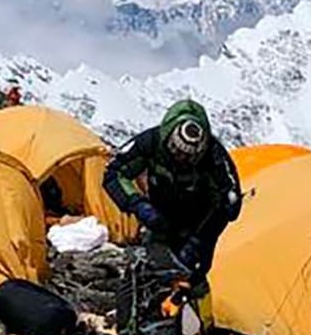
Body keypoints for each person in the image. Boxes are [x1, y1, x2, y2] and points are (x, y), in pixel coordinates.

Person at [103, 99, 241, 302]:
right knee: (143, 275)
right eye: (176, 152)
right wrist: (139, 206)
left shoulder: (215, 155)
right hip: (159, 218)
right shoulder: (150, 142)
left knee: (192, 282)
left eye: (188, 157)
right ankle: (130, 330)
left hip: (199, 223)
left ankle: (193, 328)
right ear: (169, 138)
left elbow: (231, 203)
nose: (181, 160)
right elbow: (114, 172)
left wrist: (202, 239)